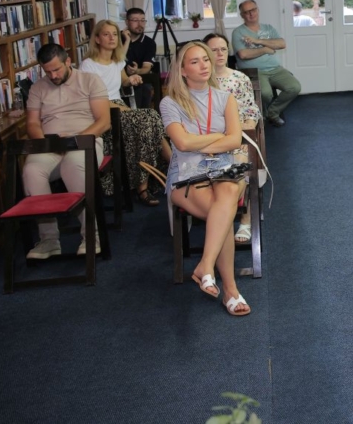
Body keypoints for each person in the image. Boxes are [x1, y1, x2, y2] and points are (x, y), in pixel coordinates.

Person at [160, 42, 250, 317]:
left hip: (225, 168)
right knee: (222, 213)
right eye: (195, 61)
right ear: (182, 70)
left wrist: (201, 141)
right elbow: (182, 143)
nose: (204, 65)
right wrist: (217, 138)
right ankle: (230, 290)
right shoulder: (170, 102)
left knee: (225, 197)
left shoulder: (225, 98)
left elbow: (234, 140)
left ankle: (206, 265)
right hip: (186, 174)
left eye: (206, 60)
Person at [23, 44, 111, 259]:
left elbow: (103, 121)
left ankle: (92, 234)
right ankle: (49, 240)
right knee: (31, 171)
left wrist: (75, 140)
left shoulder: (90, 80)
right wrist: (45, 142)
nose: (53, 76)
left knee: (73, 165)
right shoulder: (38, 88)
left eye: (57, 69)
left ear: (68, 61)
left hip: (85, 141)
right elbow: (32, 123)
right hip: (51, 145)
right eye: (48, 72)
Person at [79, 19, 170, 207]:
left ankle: (155, 177)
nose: (112, 38)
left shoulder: (117, 61)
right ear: (97, 39)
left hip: (119, 107)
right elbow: (90, 98)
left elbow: (124, 82)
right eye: (106, 34)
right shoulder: (88, 65)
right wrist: (122, 108)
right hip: (102, 111)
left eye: (114, 34)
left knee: (150, 120)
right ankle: (169, 169)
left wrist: (132, 79)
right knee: (150, 118)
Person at [204, 33, 261, 245]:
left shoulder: (239, 78)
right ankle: (213, 211)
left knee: (240, 162)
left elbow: (251, 111)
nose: (219, 54)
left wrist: (242, 131)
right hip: (207, 139)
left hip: (237, 137)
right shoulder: (200, 80)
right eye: (214, 50)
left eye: (223, 49)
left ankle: (245, 219)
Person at [231, 0, 302, 127]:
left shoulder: (268, 28)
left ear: (257, 10)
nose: (251, 14)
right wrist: (265, 49)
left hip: (275, 69)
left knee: (294, 87)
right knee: (265, 94)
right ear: (242, 15)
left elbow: (281, 44)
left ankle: (271, 112)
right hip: (255, 71)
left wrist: (259, 41)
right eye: (246, 12)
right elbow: (243, 55)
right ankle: (262, 114)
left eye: (253, 10)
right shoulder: (238, 32)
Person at [122, 7, 156, 108]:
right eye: (135, 20)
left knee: (143, 87)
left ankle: (139, 114)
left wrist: (136, 71)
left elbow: (146, 68)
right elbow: (116, 61)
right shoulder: (116, 38)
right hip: (117, 77)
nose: (140, 24)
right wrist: (127, 41)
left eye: (142, 20)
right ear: (127, 22)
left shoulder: (149, 43)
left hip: (139, 80)